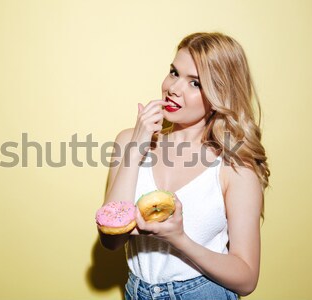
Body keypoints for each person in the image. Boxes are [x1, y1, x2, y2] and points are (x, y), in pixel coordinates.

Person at [98, 32, 270, 300]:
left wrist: (179, 239)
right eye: (174, 73)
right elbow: (111, 240)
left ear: (219, 95)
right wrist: (136, 147)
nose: (174, 88)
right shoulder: (128, 141)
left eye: (195, 83)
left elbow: (247, 278)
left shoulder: (234, 167)